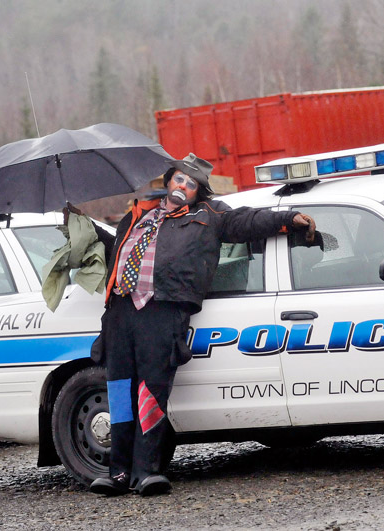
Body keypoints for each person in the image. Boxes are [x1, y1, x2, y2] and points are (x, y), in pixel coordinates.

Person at [88, 153, 316, 497]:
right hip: (120, 311)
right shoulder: (138, 213)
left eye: (191, 184)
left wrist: (289, 218)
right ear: (169, 181)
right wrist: (82, 227)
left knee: (151, 391)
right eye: (179, 179)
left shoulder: (209, 216)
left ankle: (146, 471)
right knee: (119, 392)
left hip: (163, 310)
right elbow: (115, 253)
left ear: (199, 192)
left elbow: (248, 220)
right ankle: (117, 472)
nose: (183, 186)